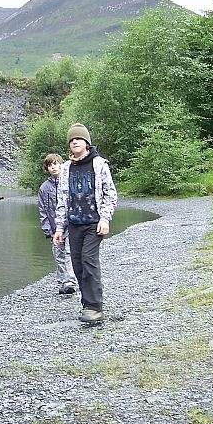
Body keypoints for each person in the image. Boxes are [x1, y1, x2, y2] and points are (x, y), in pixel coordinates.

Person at [53, 123, 118, 324]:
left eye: (78, 139)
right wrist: (60, 227)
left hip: (94, 223)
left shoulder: (99, 165)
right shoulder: (65, 168)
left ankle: (95, 307)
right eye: (72, 140)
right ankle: (86, 302)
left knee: (89, 261)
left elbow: (110, 194)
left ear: (86, 143)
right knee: (78, 264)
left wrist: (105, 218)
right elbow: (62, 199)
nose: (75, 142)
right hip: (74, 223)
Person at [38, 153, 79, 295]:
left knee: (69, 253)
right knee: (59, 254)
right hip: (54, 229)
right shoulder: (44, 188)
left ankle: (71, 282)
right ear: (47, 169)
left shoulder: (69, 182)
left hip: (70, 226)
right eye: (50, 165)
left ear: (62, 164)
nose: (53, 167)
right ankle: (63, 281)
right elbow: (43, 211)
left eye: (56, 164)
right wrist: (48, 231)